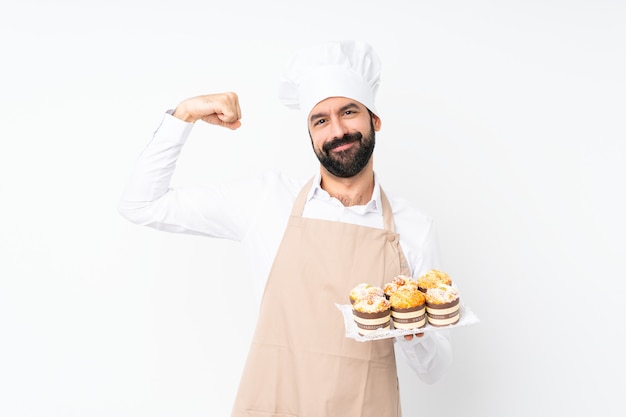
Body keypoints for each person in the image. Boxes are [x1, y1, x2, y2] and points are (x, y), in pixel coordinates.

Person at [119, 40, 453, 417]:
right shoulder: (267, 201)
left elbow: (436, 370)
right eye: (321, 120)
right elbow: (141, 204)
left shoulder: (414, 228)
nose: (338, 130)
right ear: (310, 134)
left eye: (349, 112)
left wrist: (414, 331)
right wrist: (185, 115)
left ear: (374, 119)